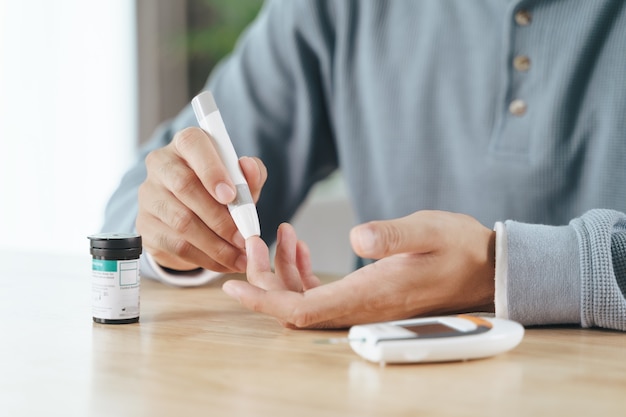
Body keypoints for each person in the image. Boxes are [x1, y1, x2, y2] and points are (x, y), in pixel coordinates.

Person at [103, 0, 626, 331]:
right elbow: (130, 209)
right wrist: (181, 231)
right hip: (379, 385)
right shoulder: (332, 10)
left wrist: (505, 270)